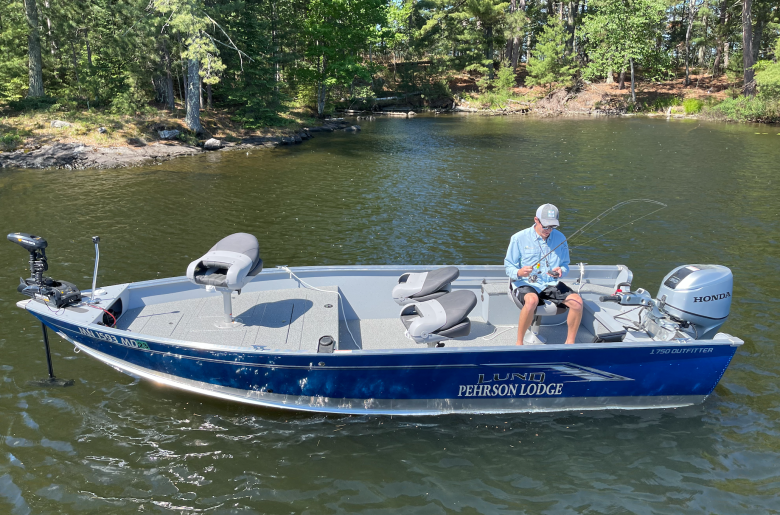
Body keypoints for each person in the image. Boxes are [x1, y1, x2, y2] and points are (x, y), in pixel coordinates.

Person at [504, 203, 583, 345]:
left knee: (577, 303)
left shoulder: (560, 238)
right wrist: (519, 272)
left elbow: (565, 265)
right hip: (526, 282)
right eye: (545, 226)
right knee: (531, 301)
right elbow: (509, 266)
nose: (548, 230)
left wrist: (561, 271)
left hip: (550, 283)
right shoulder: (518, 238)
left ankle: (570, 344)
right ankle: (519, 343)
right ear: (536, 220)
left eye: (552, 227)